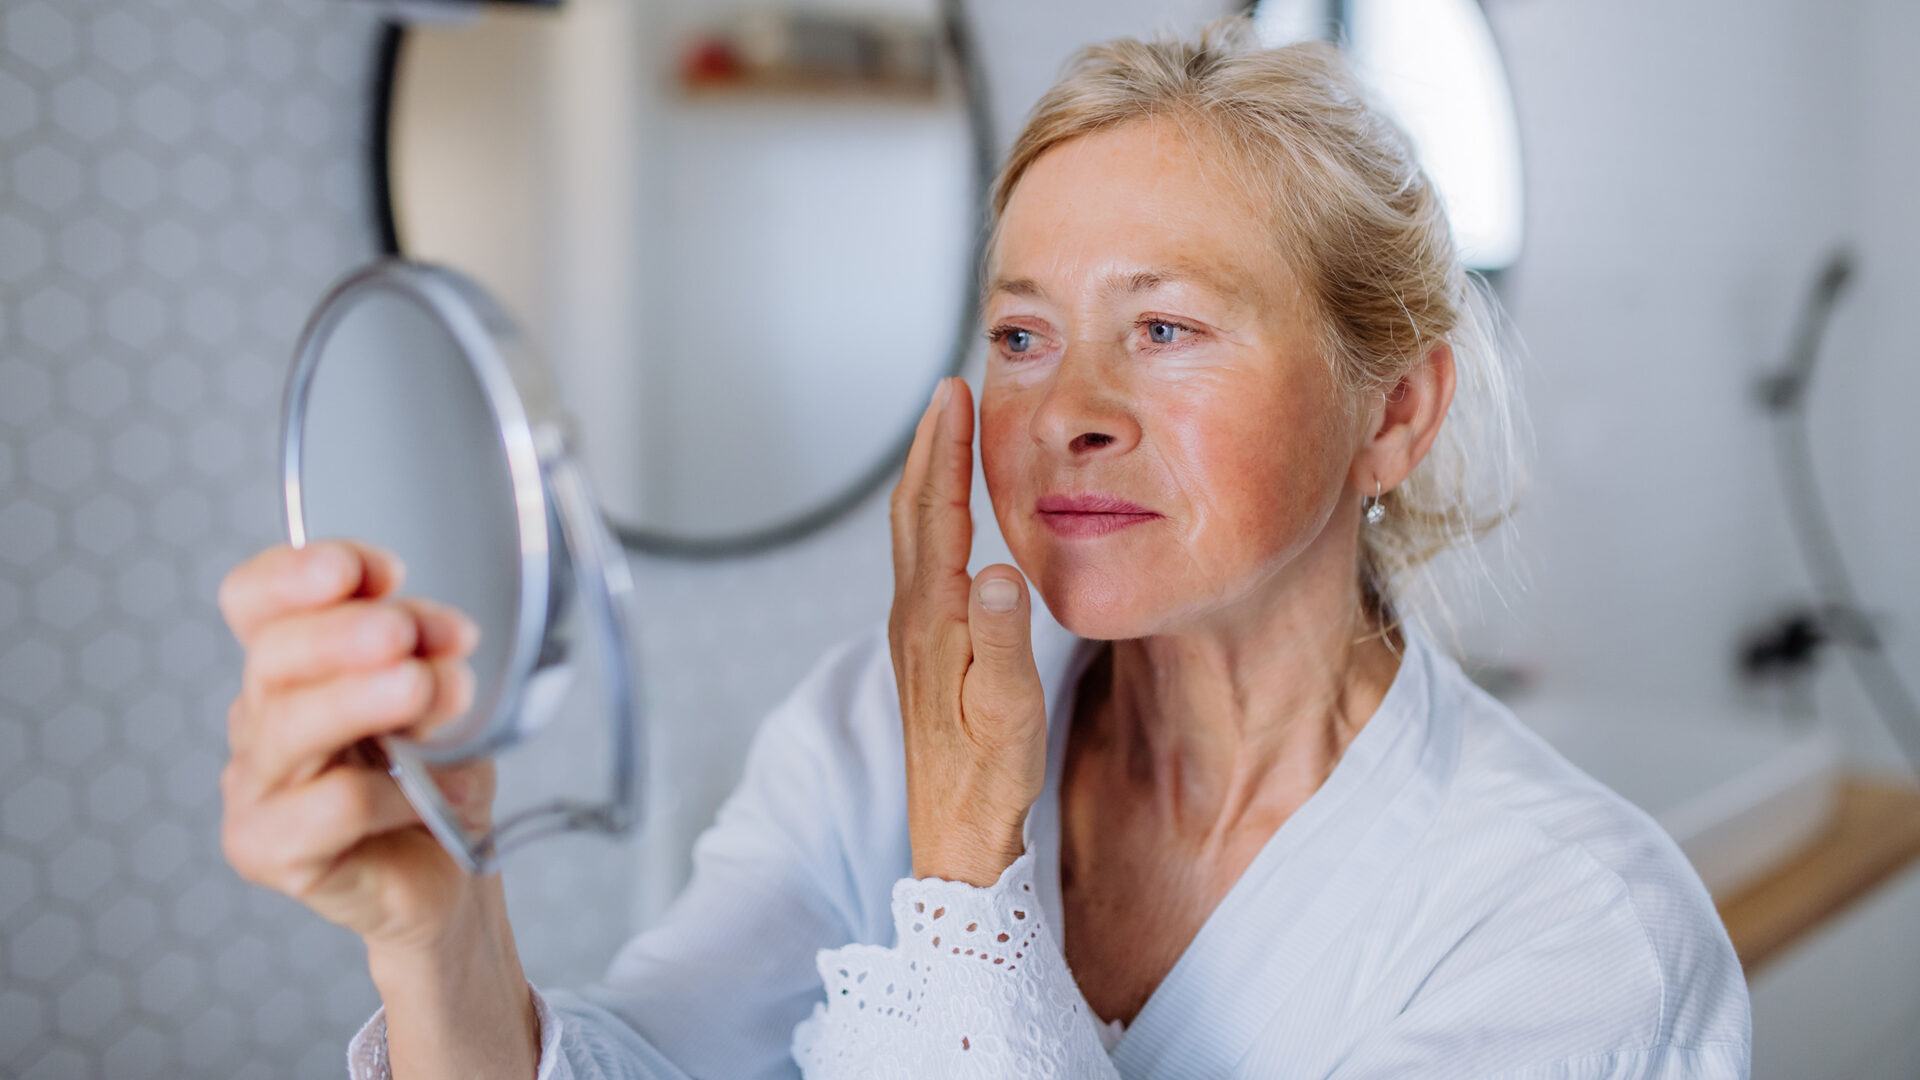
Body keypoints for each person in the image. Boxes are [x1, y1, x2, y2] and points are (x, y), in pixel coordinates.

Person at [218, 19, 1751, 1079]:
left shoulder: (1574, 935)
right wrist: (437, 931)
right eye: (1021, 333)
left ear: (1394, 415)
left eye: (1164, 327)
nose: (1069, 408)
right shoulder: (863, 739)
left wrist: (963, 876)